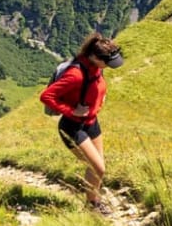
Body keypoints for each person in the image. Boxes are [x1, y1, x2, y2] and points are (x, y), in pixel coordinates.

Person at [40, 33, 123, 208]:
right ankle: (93, 204)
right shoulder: (75, 74)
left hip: (92, 122)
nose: (108, 66)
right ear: (94, 57)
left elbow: (97, 85)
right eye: (107, 62)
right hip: (72, 126)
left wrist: (101, 97)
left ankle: (94, 199)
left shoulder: (97, 67)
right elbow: (47, 96)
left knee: (98, 166)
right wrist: (71, 111)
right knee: (97, 168)